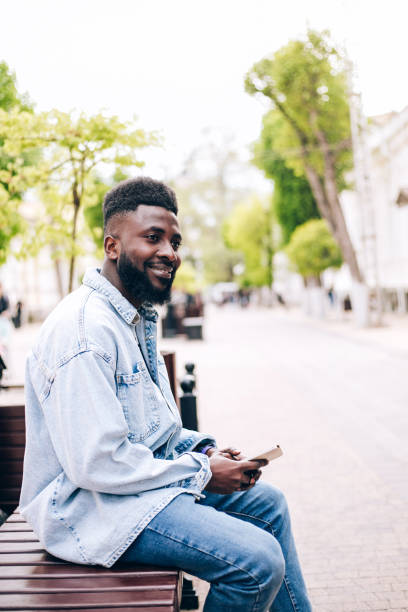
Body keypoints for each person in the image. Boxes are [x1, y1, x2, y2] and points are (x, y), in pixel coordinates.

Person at [20, 177, 311, 612]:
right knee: (256, 561)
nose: (169, 252)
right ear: (112, 246)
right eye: (152, 238)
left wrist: (204, 450)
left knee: (268, 504)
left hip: (131, 491)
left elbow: (151, 431)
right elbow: (97, 462)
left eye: (174, 241)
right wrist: (201, 473)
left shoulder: (132, 317)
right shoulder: (84, 331)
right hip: (89, 511)